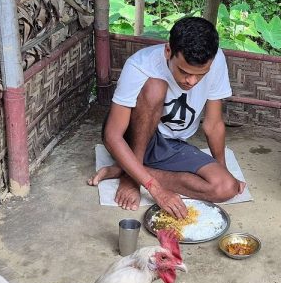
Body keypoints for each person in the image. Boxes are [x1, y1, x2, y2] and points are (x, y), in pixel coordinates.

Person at [88, 17, 245, 218]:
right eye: (184, 71)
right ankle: (132, 176)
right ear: (168, 50)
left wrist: (223, 168)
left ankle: (128, 170)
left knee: (226, 187)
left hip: (171, 145)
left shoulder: (216, 60)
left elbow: (213, 125)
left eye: (200, 74)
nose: (191, 81)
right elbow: (112, 135)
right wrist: (155, 189)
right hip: (132, 136)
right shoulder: (140, 65)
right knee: (155, 86)